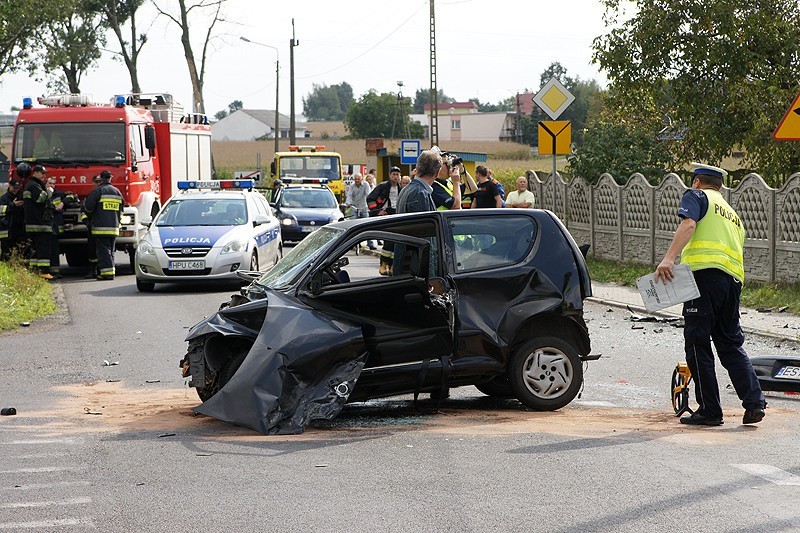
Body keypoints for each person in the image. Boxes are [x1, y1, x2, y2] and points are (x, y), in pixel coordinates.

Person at [655, 162, 766, 426]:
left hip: (704, 279)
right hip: (732, 283)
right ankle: (754, 403)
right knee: (729, 344)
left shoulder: (696, 196)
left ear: (696, 181)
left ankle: (710, 410)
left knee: (697, 341)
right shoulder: (732, 214)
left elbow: (689, 224)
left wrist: (669, 259)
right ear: (720, 185)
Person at [83, 170, 123, 280]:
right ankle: (111, 271)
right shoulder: (117, 192)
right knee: (111, 251)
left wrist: (90, 217)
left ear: (101, 179)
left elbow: (88, 208)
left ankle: (108, 274)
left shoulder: (98, 191)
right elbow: (121, 210)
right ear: (110, 178)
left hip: (100, 228)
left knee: (103, 251)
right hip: (114, 227)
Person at [23, 164, 54, 279]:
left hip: (34, 223)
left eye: (45, 174)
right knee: (43, 249)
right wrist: (49, 191)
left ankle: (35, 272)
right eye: (42, 173)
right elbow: (41, 199)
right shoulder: (34, 186)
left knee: (35, 249)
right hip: (40, 224)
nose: (44, 176)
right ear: (35, 173)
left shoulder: (31, 185)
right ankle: (44, 272)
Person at [396, 150, 441, 214]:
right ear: (437, 173)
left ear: (417, 168)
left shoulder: (406, 189)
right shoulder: (420, 193)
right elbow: (423, 223)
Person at [0, 179, 27, 261]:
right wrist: (13, 205)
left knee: (20, 250)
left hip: (19, 229)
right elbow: (1, 210)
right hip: (7, 229)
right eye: (14, 188)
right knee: (6, 251)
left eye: (17, 188)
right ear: (10, 186)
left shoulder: (20, 196)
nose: (16, 190)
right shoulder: (4, 198)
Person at [46, 176, 67, 278]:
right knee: (46, 250)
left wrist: (63, 203)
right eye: (50, 183)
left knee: (54, 250)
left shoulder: (58, 194)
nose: (52, 186)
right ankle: (45, 271)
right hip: (45, 226)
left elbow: (71, 197)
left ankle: (55, 272)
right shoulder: (42, 194)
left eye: (53, 184)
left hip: (54, 227)